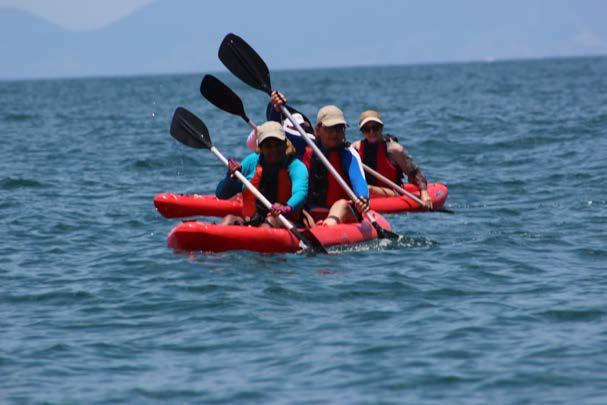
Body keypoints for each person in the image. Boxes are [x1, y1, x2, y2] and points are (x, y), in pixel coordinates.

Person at [270, 92, 370, 226]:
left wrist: (363, 197)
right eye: (330, 128)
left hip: (343, 215)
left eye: (340, 128)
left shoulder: (348, 154)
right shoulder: (304, 145)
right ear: (317, 130)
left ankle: (327, 226)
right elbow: (276, 130)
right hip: (309, 216)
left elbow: (358, 179)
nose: (336, 133)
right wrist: (276, 108)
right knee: (274, 218)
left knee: (340, 205)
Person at [215, 121, 308, 228]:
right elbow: (221, 194)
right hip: (253, 220)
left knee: (270, 221)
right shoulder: (251, 162)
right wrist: (231, 177)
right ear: (261, 147)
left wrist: (287, 207)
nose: (274, 150)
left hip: (286, 222)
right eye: (268, 146)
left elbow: (301, 192)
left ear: (285, 144)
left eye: (278, 144)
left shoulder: (296, 166)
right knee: (230, 218)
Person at [351, 110, 433, 208]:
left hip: (392, 193)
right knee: (364, 188)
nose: (371, 132)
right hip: (364, 193)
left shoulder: (394, 150)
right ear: (362, 131)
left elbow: (415, 173)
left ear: (381, 128)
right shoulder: (355, 148)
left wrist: (424, 193)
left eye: (375, 128)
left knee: (368, 189)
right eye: (367, 129)